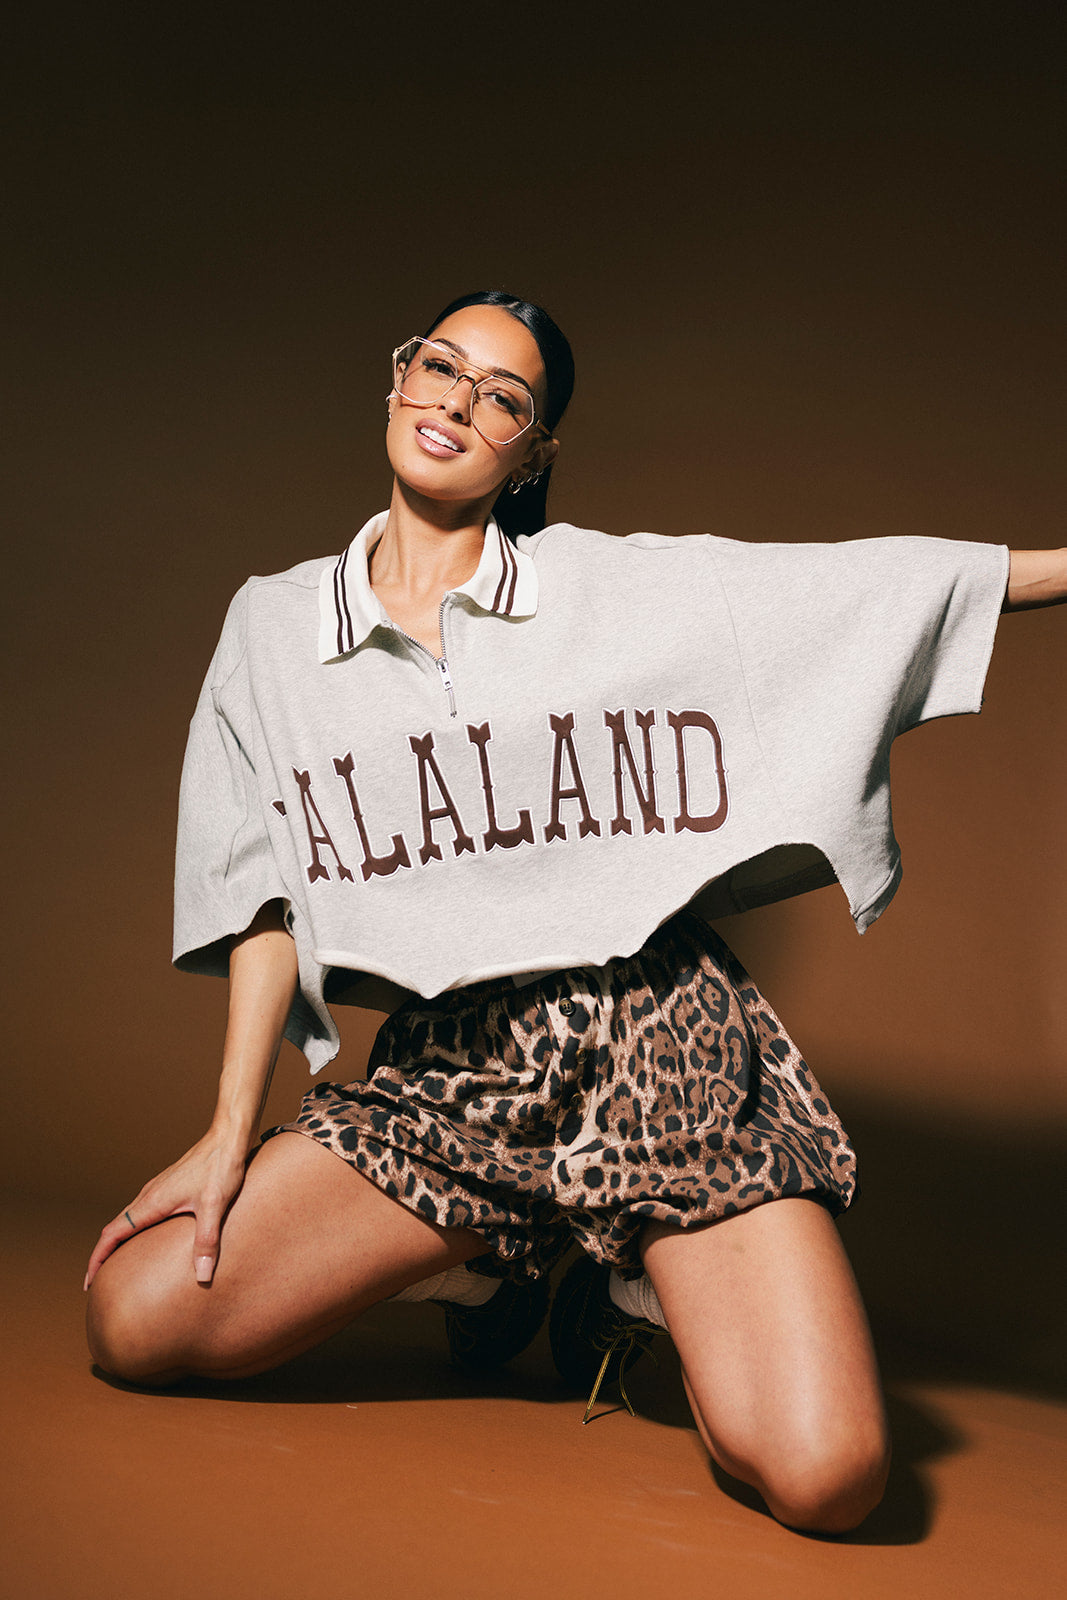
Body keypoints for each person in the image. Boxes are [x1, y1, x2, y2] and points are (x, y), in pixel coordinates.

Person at [84, 289, 1066, 1535]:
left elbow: (861, 589)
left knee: (829, 1478)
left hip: (657, 1044)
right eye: (439, 367)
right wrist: (232, 1130)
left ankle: (629, 1273)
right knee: (136, 1314)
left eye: (502, 396)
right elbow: (268, 890)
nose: (457, 401)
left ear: (530, 451)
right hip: (458, 1078)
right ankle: (493, 1246)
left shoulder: (605, 588)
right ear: (396, 382)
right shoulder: (273, 629)